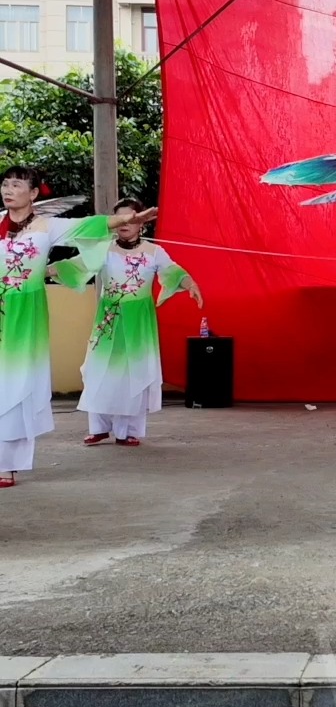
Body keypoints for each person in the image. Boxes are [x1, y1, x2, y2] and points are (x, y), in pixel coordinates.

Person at [0, 166, 158, 487]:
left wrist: (127, 220)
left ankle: (7, 464)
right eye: (5, 183)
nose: (8, 189)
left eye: (16, 184)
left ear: (33, 194)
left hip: (24, 313)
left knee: (16, 384)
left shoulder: (49, 226)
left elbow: (92, 224)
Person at [50, 198, 203, 447]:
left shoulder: (154, 252)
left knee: (134, 373)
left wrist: (191, 284)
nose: (126, 223)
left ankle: (128, 431)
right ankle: (99, 427)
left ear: (140, 222)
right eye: (121, 218)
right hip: (108, 319)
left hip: (139, 321)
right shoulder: (104, 248)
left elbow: (174, 271)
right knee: (98, 370)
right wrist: (41, 271)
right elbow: (77, 265)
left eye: (132, 217)